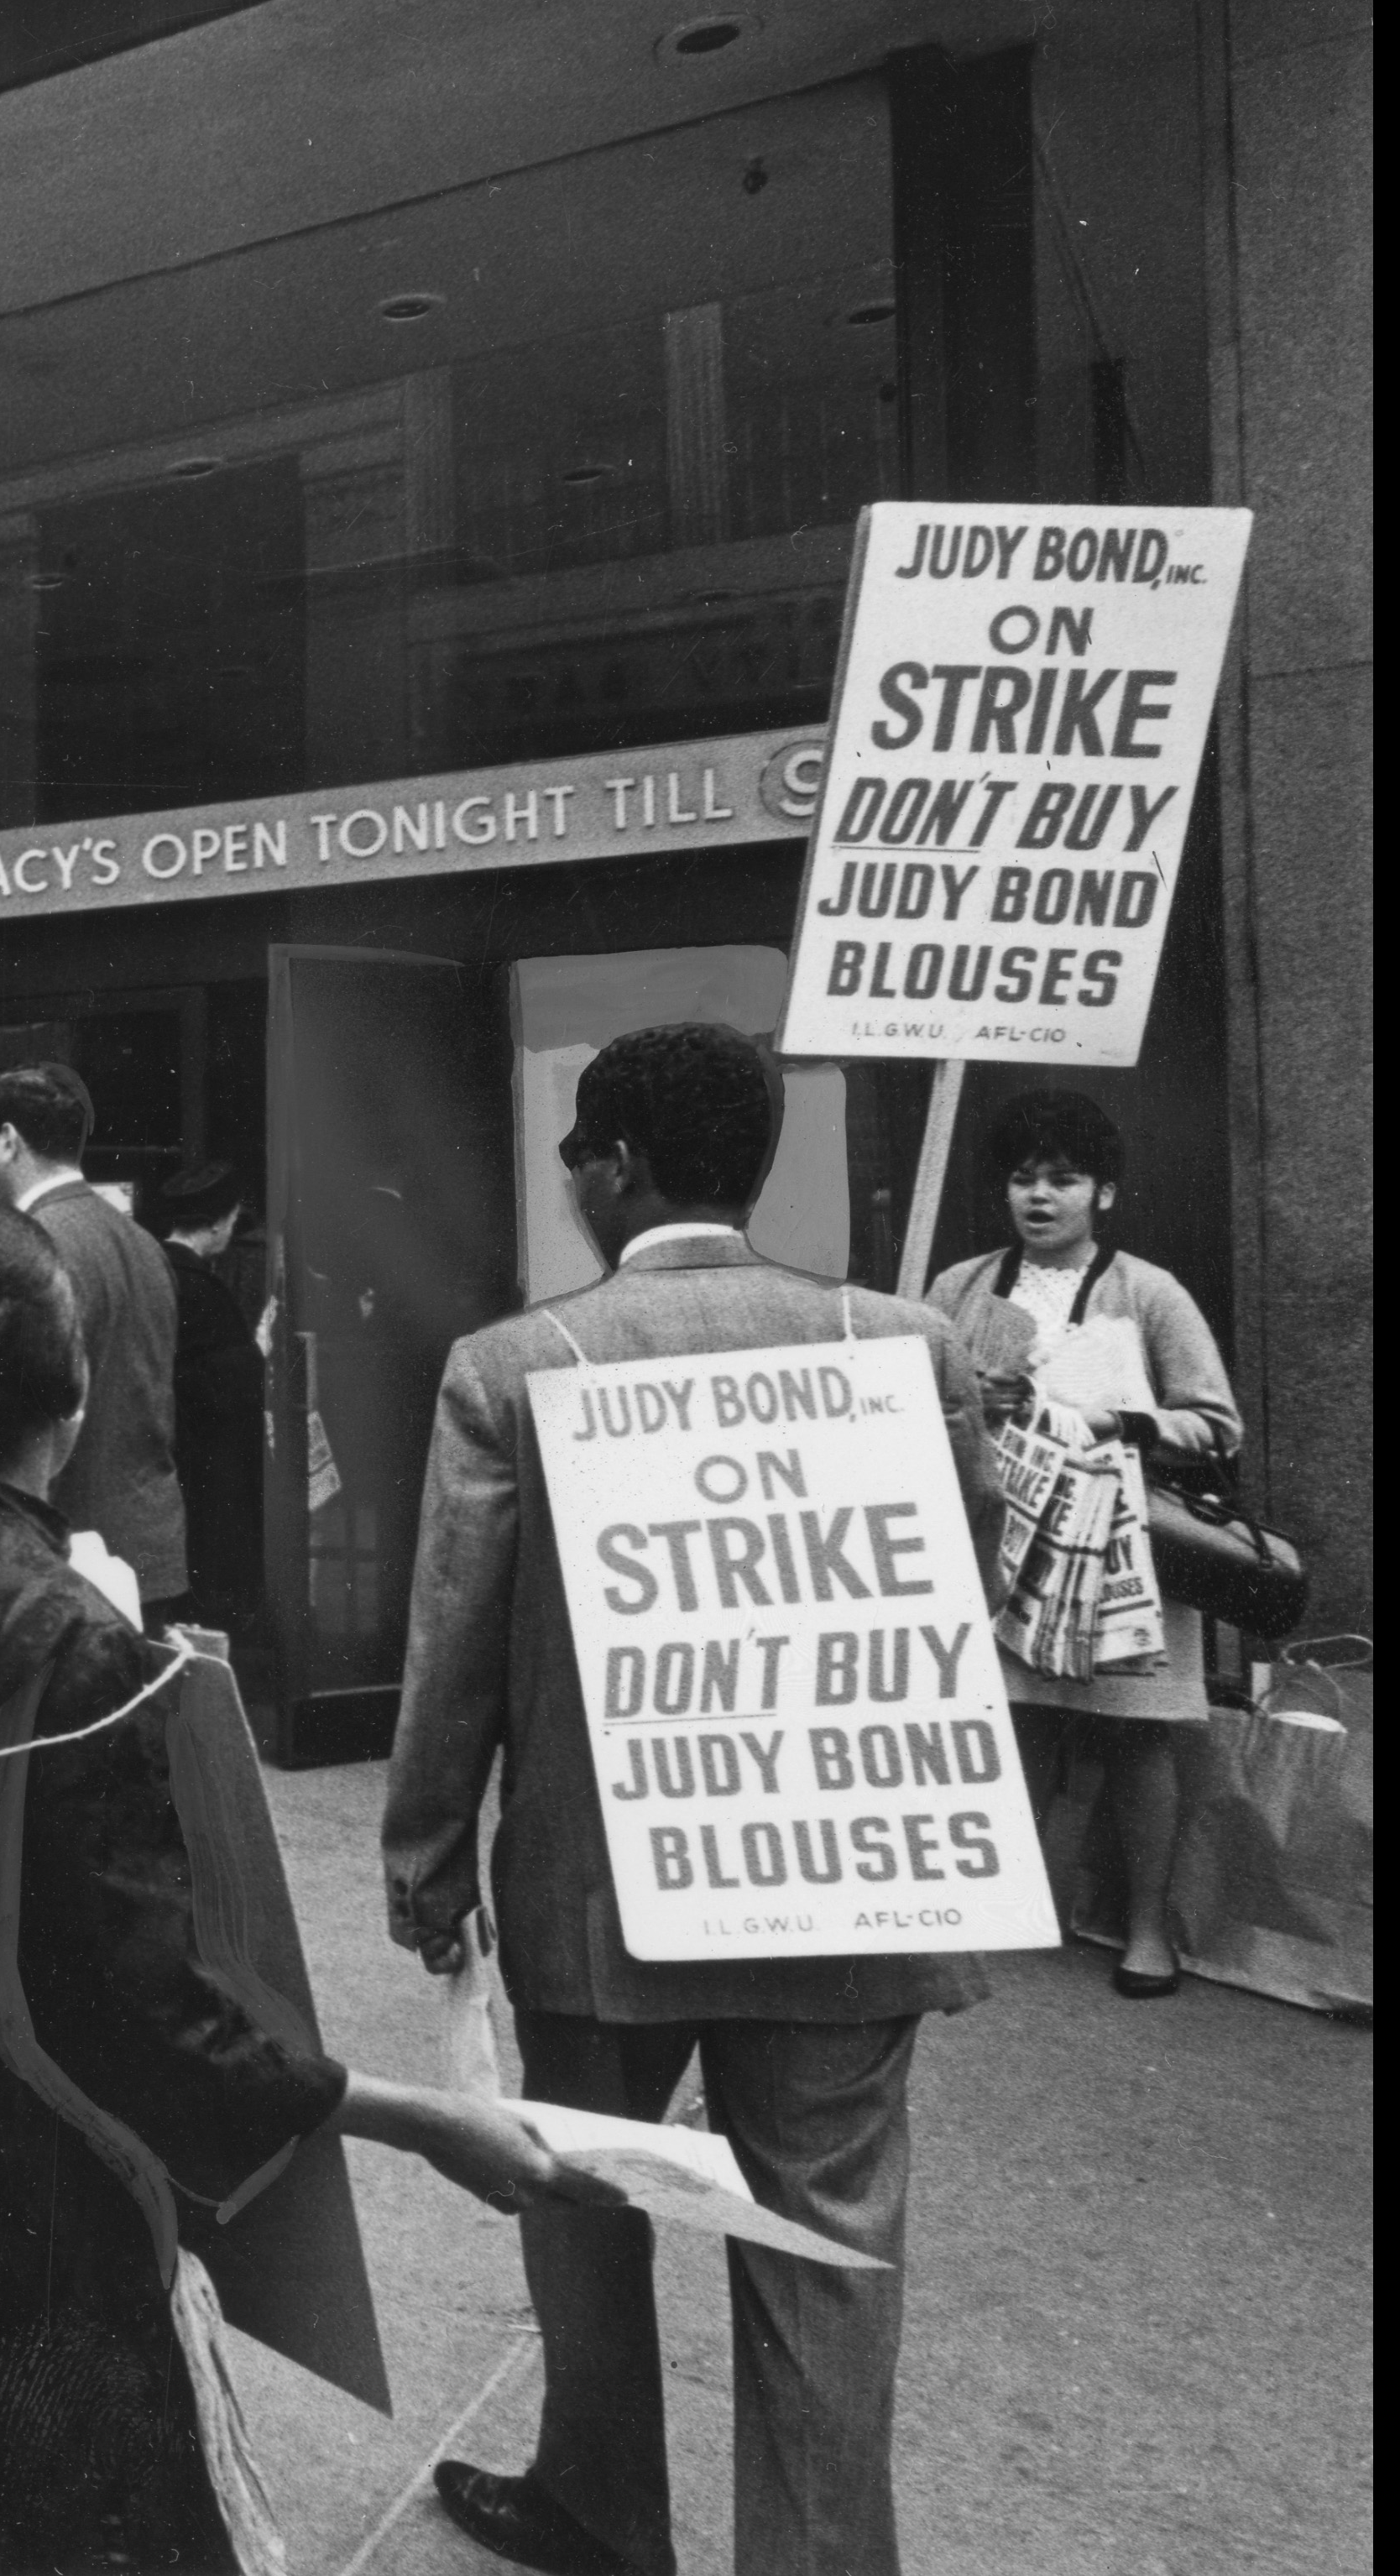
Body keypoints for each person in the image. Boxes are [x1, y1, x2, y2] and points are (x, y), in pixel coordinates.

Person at [0, 1203, 600, 2574]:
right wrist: (424, 2119)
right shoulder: (79, 1648)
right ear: (73, 1394)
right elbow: (154, 2031)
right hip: (17, 2267)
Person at [383, 1022, 995, 2576]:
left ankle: (599, 2505)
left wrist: (426, 1857)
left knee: (579, 2203)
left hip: (599, 1903)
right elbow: (956, 1598)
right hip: (851, 1869)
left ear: (617, 1164)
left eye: (576, 1157)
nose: (574, 1182)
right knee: (831, 2251)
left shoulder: (514, 1365)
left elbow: (452, 1649)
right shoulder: (907, 1342)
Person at [927, 1087, 1241, 1999]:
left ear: (1102, 1193)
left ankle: (1148, 1932)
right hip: (1001, 1537)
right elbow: (913, 1392)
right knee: (1008, 1724)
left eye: (1062, 1180)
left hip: (1122, 1549)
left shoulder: (1146, 1291)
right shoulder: (958, 1286)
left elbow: (1215, 1425)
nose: (1039, 1197)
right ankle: (1008, 1908)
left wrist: (1119, 1417)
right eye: (1023, 1178)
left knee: (1134, 1736)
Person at [0, 1062, 189, 1612]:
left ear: (9, 1142)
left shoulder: (28, 1245)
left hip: (67, 1559)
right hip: (149, 1549)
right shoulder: (142, 1243)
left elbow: (25, 1418)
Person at [146, 1157, 270, 1646]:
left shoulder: (156, 1270)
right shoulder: (198, 1285)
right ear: (219, 1223)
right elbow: (209, 1382)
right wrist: (257, 1352)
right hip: (205, 1464)